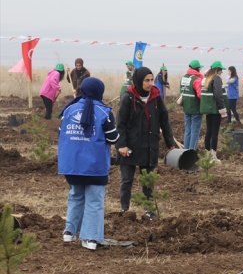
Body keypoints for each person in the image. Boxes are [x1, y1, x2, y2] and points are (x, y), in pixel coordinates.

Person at [58, 77, 119, 250]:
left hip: (72, 165)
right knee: (94, 201)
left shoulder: (68, 110)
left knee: (75, 196)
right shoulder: (105, 112)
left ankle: (69, 232)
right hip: (95, 166)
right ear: (99, 92)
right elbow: (112, 138)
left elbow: (61, 133)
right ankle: (90, 238)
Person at [116, 67, 175, 218]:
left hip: (149, 144)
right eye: (146, 80)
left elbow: (164, 120)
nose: (150, 83)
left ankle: (149, 211)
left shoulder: (156, 97)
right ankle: (124, 209)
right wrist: (121, 145)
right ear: (138, 81)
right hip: (130, 145)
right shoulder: (128, 98)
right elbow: (120, 124)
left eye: (151, 80)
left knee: (148, 181)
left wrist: (169, 141)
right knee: (127, 180)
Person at [201, 61, 227, 162]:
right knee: (214, 133)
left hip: (208, 109)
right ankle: (213, 157)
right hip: (215, 110)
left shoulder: (207, 78)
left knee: (209, 131)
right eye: (221, 70)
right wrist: (222, 109)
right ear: (217, 70)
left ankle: (207, 155)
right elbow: (218, 95)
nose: (221, 72)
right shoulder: (216, 78)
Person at [180, 59, 204, 150]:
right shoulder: (197, 80)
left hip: (186, 108)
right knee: (195, 131)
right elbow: (200, 95)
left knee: (188, 130)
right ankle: (192, 151)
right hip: (196, 109)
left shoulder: (184, 78)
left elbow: (181, 92)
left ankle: (186, 150)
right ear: (197, 69)